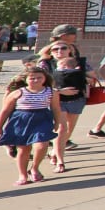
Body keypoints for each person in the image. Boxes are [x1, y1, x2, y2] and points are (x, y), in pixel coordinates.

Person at [0, 66, 63, 185]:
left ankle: (35, 168)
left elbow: (56, 109)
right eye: (32, 78)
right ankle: (22, 175)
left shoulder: (51, 92)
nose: (36, 80)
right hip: (21, 121)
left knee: (42, 146)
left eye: (39, 78)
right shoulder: (18, 92)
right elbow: (5, 111)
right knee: (23, 149)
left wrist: (57, 122)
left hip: (42, 119)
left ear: (44, 79)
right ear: (26, 79)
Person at [41, 39, 92, 170]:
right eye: (55, 49)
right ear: (50, 52)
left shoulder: (79, 62)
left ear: (70, 50)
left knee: (69, 129)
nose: (59, 51)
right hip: (57, 100)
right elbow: (38, 83)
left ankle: (54, 152)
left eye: (63, 48)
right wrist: (59, 90)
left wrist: (79, 76)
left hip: (77, 99)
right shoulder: (46, 64)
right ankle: (60, 161)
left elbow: (92, 76)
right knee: (61, 129)